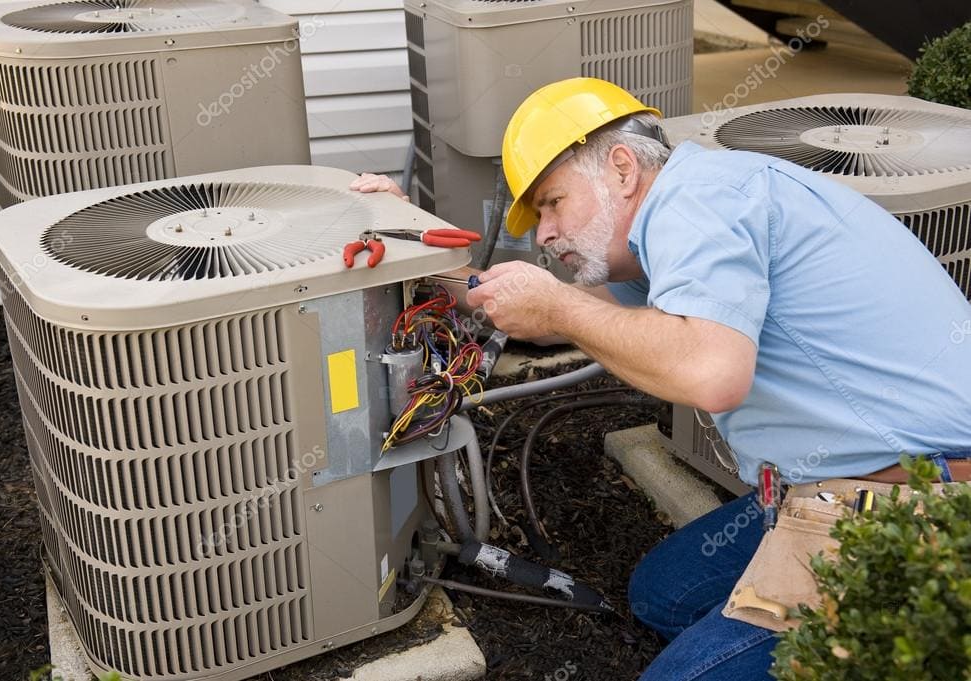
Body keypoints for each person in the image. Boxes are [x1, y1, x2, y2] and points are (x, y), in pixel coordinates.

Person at [353, 77, 971, 679]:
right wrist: (420, 248)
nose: (542, 234)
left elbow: (710, 374)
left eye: (551, 203)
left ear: (622, 167)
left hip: (915, 499)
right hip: (832, 480)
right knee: (662, 595)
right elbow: (552, 318)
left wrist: (561, 306)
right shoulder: (661, 229)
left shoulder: (697, 201)